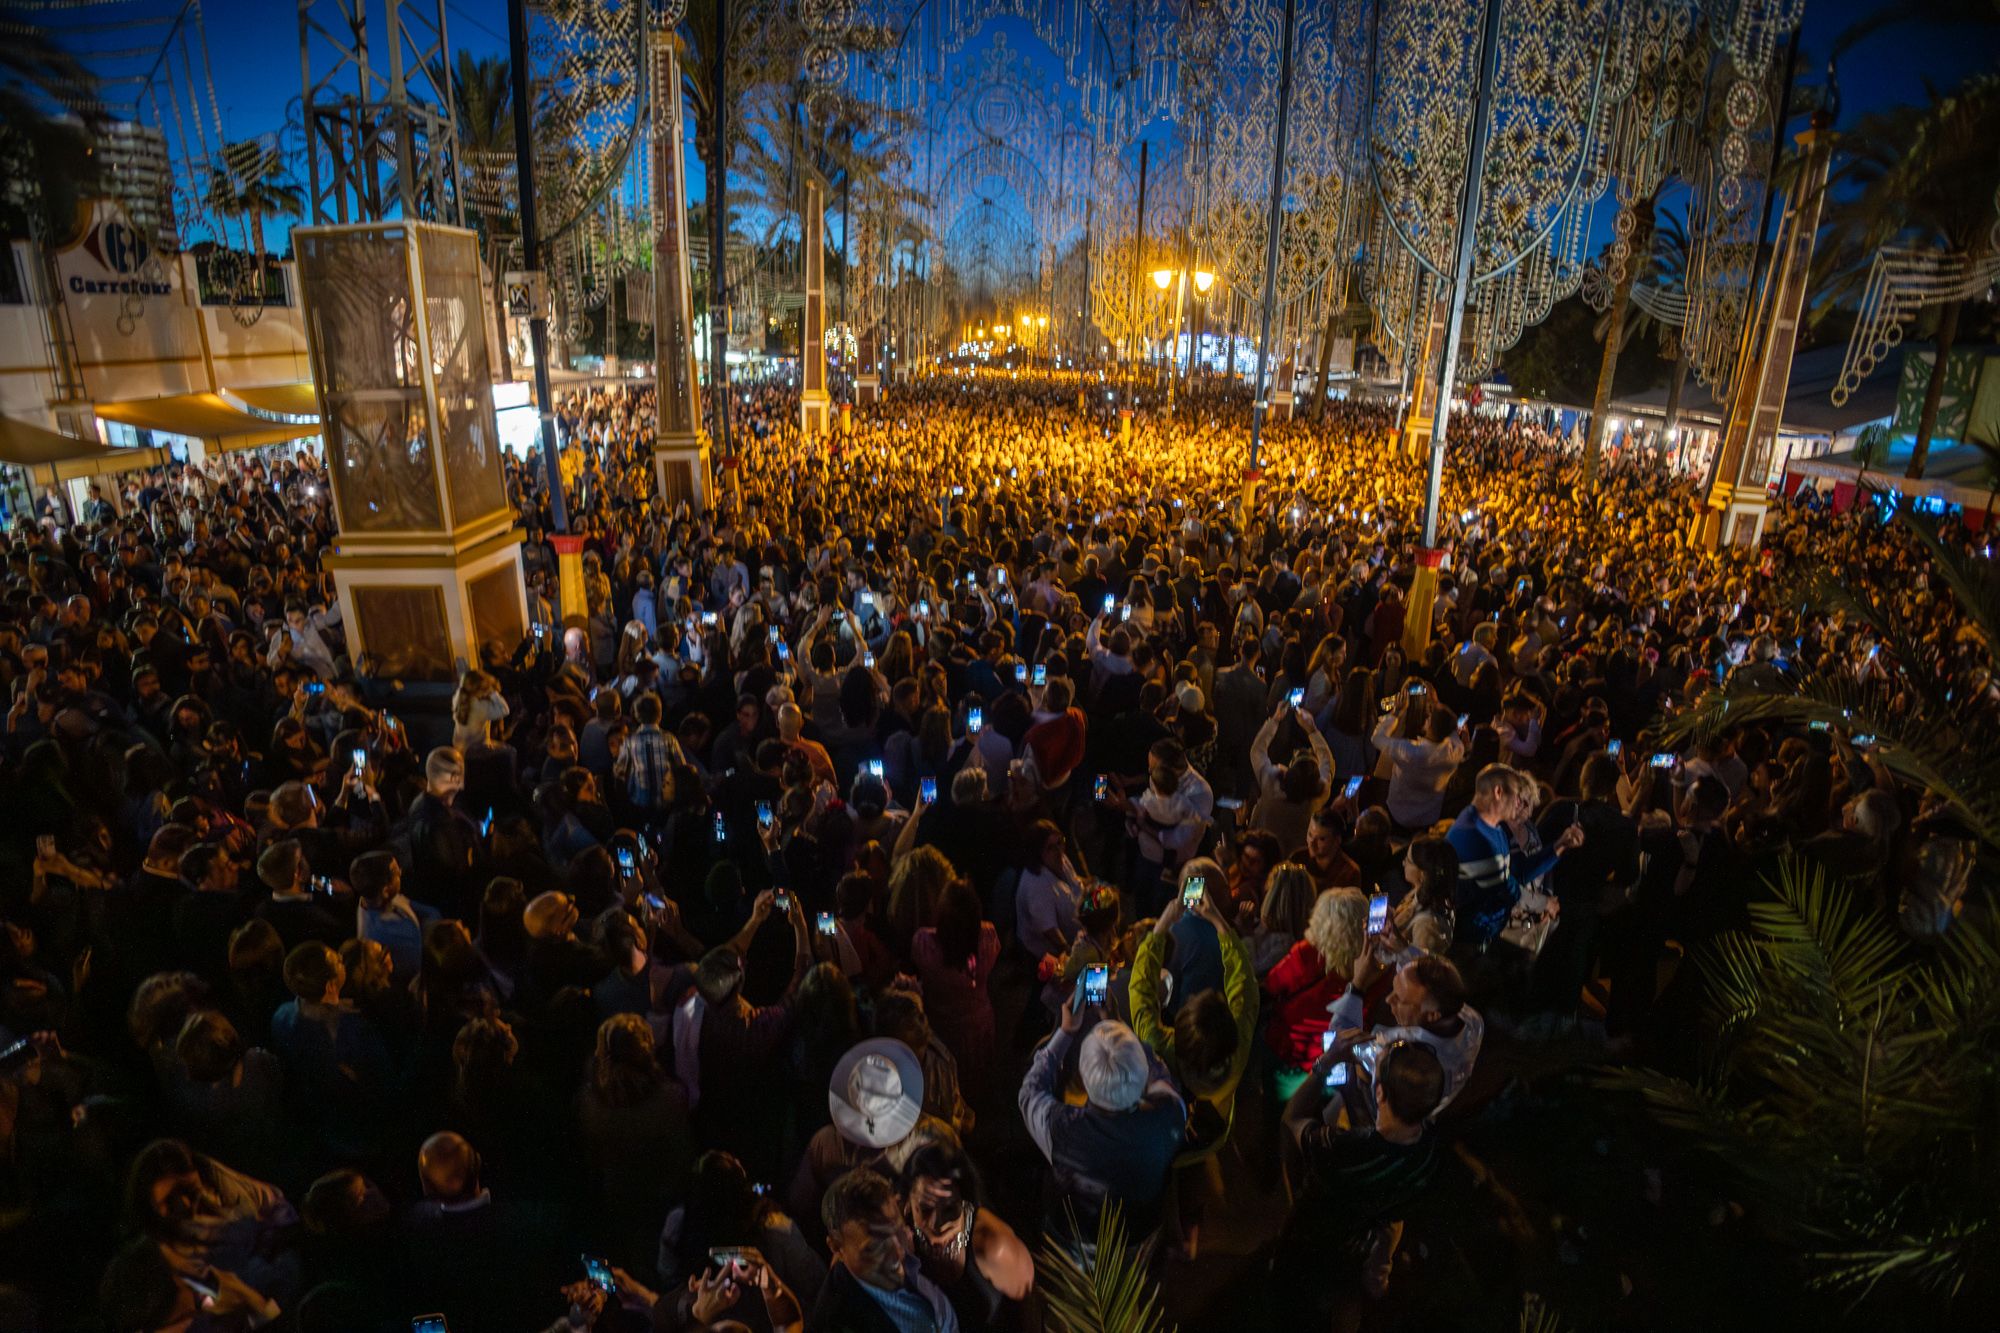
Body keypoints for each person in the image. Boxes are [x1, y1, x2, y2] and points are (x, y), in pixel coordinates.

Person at [1018, 997, 1186, 1244]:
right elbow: (1161, 1080)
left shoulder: (1062, 1130)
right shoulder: (1170, 1116)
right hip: (1133, 1238)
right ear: (1142, 1076)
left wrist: (1065, 1031)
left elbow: (1029, 1093)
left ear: (1085, 1080)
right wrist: (1118, 1027)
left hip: (1072, 1239)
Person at [898, 1141, 1035, 1331]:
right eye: (926, 1209)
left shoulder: (994, 1247)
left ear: (964, 1199)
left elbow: (1032, 1310)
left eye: (949, 1208)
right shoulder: (899, 1238)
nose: (939, 1224)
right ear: (907, 1205)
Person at [813, 1167, 961, 1333]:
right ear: (836, 1247)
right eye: (876, 1247)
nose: (898, 1253)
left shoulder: (922, 1233)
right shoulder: (837, 1322)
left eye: (898, 1231)